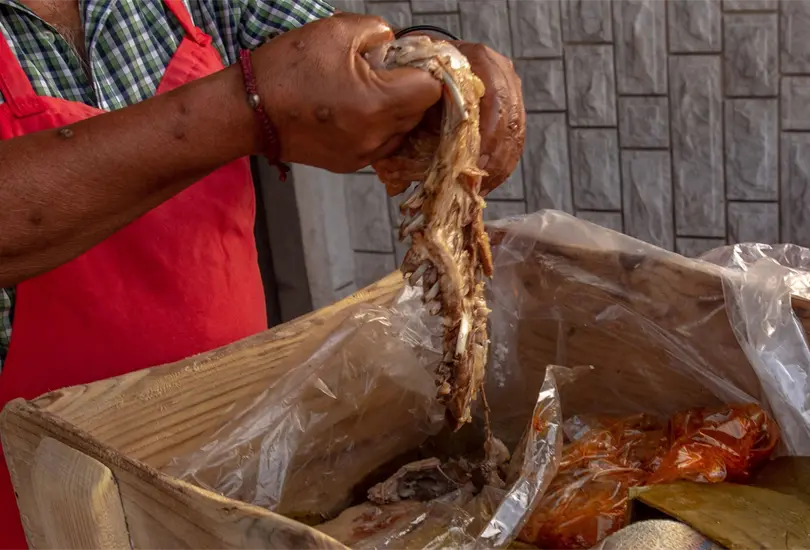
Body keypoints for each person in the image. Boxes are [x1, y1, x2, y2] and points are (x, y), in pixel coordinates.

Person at [0, 0, 524, 546]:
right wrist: (244, 105)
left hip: (233, 465)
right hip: (46, 499)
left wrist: (437, 63)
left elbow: (340, 64)